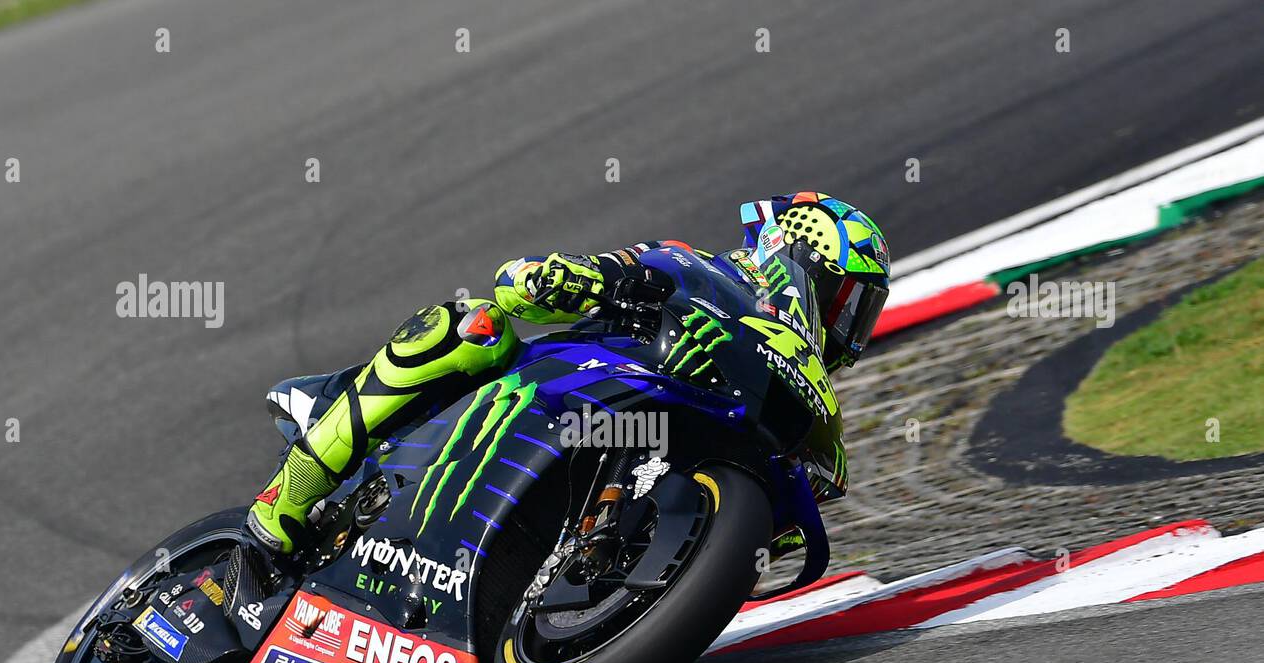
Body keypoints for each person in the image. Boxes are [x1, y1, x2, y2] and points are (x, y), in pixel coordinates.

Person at [243, 191, 891, 560]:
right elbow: (522, 285)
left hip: (649, 437)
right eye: (847, 304)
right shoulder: (690, 266)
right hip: (545, 390)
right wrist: (573, 278)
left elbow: (819, 482)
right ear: (801, 256)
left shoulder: (801, 383)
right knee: (474, 325)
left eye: (860, 317)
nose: (848, 330)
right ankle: (294, 488)